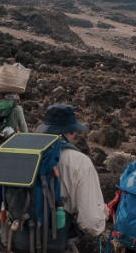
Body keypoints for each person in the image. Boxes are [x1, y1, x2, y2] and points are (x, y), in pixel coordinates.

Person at [35, 104, 108, 244]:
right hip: (57, 241)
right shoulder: (80, 162)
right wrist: (102, 215)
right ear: (71, 131)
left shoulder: (28, 154)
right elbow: (90, 223)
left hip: (20, 238)